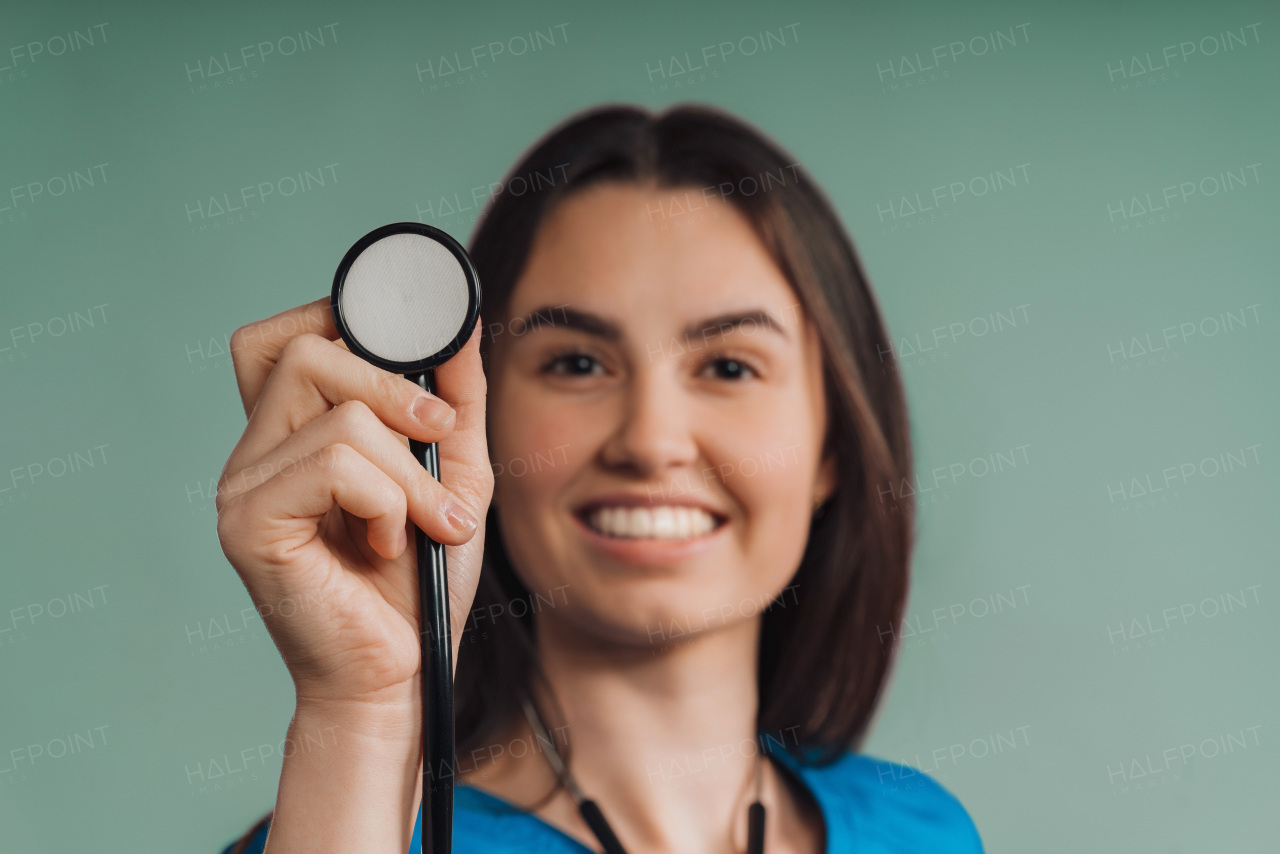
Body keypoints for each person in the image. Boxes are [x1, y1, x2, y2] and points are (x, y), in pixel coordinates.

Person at [215, 103, 983, 853]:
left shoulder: (923, 831)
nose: (651, 443)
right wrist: (364, 711)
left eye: (729, 366)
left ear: (832, 449)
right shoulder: (339, 829)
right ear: (467, 420)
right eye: (576, 364)